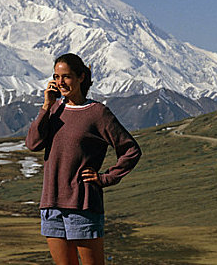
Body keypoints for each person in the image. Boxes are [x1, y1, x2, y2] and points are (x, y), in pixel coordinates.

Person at [25, 53, 141, 265]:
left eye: (66, 77)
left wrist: (106, 178)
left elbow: (131, 150)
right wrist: (45, 107)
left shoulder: (97, 113)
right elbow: (33, 144)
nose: (61, 82)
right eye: (56, 77)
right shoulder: (53, 109)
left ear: (80, 77)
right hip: (51, 204)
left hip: (83, 204)